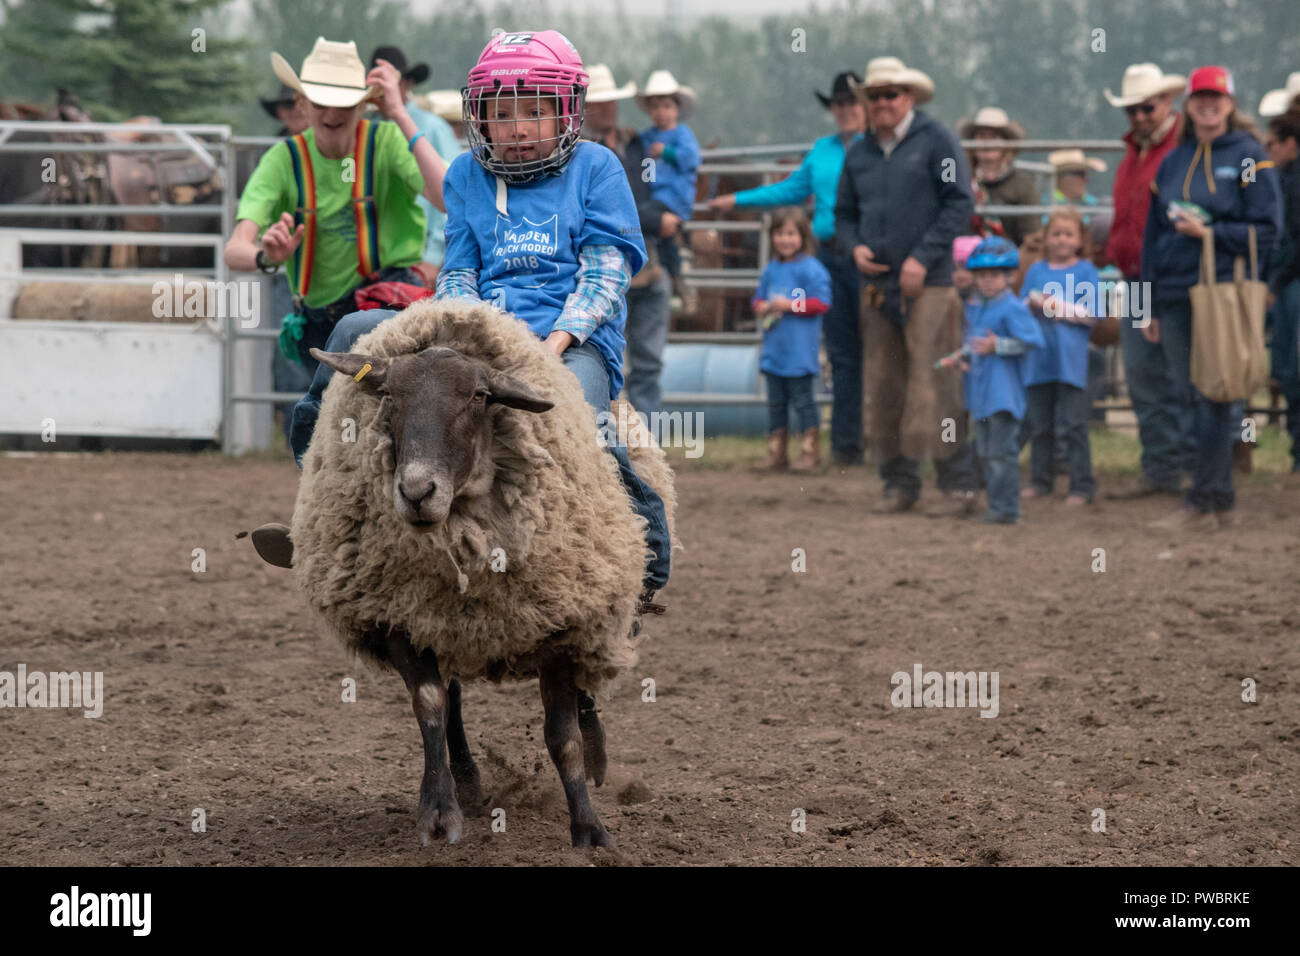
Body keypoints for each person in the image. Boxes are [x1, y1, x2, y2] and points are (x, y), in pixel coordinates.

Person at [258, 30, 671, 612]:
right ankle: (318, 498)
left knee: (587, 416)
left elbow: (605, 273)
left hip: (569, 339)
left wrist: (553, 345)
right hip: (481, 336)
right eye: (501, 114)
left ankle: (643, 555)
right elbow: (458, 271)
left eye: (535, 111)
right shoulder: (466, 175)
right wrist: (454, 336)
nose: (518, 127)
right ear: (480, 116)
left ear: (566, 112)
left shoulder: (597, 169)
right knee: (354, 333)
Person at [226, 37, 448, 380]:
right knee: (322, 416)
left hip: (386, 308)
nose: (332, 114)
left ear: (362, 105)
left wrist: (400, 114)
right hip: (316, 324)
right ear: (302, 105)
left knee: (359, 414)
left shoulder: (387, 143)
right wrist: (268, 257)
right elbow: (235, 250)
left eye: (343, 103)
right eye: (320, 102)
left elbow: (449, 198)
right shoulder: (283, 160)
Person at [833, 56, 977, 514]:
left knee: (938, 377)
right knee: (885, 381)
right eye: (874, 97)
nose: (881, 103)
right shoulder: (858, 153)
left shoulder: (938, 142)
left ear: (908, 97)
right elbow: (843, 214)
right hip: (877, 286)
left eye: (890, 95)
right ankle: (899, 480)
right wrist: (854, 246)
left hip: (929, 282)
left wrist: (922, 257)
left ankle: (957, 481)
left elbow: (959, 203)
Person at [1143, 66, 1282, 530]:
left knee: (1214, 393)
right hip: (1174, 292)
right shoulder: (1172, 160)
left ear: (1229, 104)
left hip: (1221, 290)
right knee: (1187, 393)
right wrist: (1146, 300)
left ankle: (1207, 498)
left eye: (1216, 97)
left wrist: (1211, 232)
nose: (1208, 104)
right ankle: (1211, 497)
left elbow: (1268, 230)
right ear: (1189, 104)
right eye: (1200, 96)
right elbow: (1151, 235)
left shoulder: (1248, 157)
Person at [709, 70, 867, 466]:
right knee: (844, 352)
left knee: (878, 351)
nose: (845, 110)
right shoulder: (823, 151)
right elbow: (791, 190)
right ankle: (847, 444)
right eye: (839, 104)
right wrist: (739, 200)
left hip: (867, 256)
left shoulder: (876, 151)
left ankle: (878, 440)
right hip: (831, 255)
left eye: (852, 103)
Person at [1102, 63, 1187, 499]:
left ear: (1167, 104)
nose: (1138, 117)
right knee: (1141, 374)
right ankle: (1161, 467)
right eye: (1132, 110)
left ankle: (1189, 466)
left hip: (1172, 279)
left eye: (1146, 108)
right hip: (1136, 279)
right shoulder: (1135, 155)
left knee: (1178, 373)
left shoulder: (1183, 150)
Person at [582, 63, 675, 418]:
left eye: (611, 102)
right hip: (604, 271)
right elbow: (619, 208)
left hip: (647, 264)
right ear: (584, 108)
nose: (608, 109)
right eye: (598, 103)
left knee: (648, 360)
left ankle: (644, 440)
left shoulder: (635, 145)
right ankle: (613, 441)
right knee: (607, 358)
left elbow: (654, 191)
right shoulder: (581, 153)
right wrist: (656, 217)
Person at [954, 236, 1044, 524]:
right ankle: (996, 506)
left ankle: (1007, 509)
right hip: (980, 395)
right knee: (986, 453)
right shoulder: (978, 308)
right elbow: (975, 344)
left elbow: (1032, 341)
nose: (987, 281)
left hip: (1003, 395)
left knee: (1002, 454)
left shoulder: (1013, 308)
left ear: (1010, 276)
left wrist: (999, 346)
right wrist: (964, 357)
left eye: (994, 275)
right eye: (982, 276)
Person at [1019, 207, 1100, 505]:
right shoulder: (1036, 270)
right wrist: (1031, 303)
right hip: (1039, 360)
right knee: (1040, 425)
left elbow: (1091, 314)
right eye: (1055, 233)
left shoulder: (1086, 271)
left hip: (1071, 362)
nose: (1061, 240)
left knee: (1074, 425)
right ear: (1045, 238)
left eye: (1068, 234)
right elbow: (1022, 305)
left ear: (1079, 240)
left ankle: (1082, 485)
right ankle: (1041, 480)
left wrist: (1055, 307)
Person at [369, 45, 460, 285]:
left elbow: (453, 188)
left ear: (407, 84)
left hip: (422, 260)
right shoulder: (370, 131)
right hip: (378, 262)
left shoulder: (433, 127)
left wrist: (434, 255)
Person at [750, 208, 832, 472]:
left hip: (800, 352)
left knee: (803, 401)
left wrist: (790, 305)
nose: (785, 240)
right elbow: (757, 299)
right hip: (775, 351)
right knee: (776, 403)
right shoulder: (771, 270)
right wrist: (762, 306)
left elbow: (822, 303)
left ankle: (810, 452)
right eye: (779, 234)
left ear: (802, 236)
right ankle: (777, 452)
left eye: (791, 233)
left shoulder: (812, 269)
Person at [637, 70, 700, 303]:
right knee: (662, 236)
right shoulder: (647, 137)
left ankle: (670, 273)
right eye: (655, 107)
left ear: (676, 109)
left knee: (648, 219)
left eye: (666, 106)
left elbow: (692, 158)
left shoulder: (682, 134)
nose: (660, 112)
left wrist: (666, 152)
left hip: (675, 197)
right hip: (655, 196)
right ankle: (672, 276)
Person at [1265, 109, 1300, 471]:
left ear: (1291, 143)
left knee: (1292, 367)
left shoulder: (1290, 181)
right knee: (1288, 367)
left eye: (1272, 143)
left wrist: (1274, 282)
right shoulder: (1283, 178)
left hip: (1290, 283)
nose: (1268, 150)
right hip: (1287, 282)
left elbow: (1292, 241)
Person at [961, 107, 1039, 247]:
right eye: (982, 136)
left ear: (1006, 143)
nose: (987, 142)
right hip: (965, 261)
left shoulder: (1022, 185)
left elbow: (1031, 236)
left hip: (1009, 262)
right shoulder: (961, 181)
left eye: (994, 136)